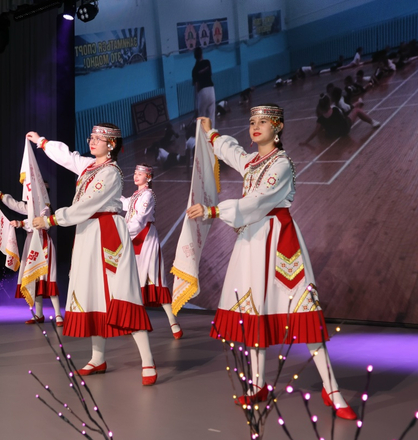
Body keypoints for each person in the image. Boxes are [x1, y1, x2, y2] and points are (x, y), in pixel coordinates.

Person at [187, 106, 357, 420]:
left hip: (279, 243)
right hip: (251, 243)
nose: (255, 126)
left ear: (277, 127)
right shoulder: (252, 161)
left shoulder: (281, 164)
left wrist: (213, 211)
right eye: (252, 121)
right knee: (254, 312)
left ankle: (332, 389)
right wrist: (211, 132)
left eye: (263, 122)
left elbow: (258, 201)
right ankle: (257, 385)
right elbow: (231, 152)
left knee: (303, 312)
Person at [27, 124, 157, 385]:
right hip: (88, 233)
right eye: (92, 137)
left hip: (107, 235)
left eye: (99, 139)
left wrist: (52, 219)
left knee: (122, 294)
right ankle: (98, 358)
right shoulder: (89, 166)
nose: (92, 141)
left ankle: (148, 361)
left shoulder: (110, 172)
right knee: (93, 294)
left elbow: (88, 204)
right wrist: (42, 143)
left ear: (112, 144)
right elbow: (68, 158)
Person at [120, 164, 183, 339]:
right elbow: (125, 204)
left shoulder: (148, 195)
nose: (136, 176)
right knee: (134, 280)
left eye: (140, 174)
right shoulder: (136, 195)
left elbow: (140, 220)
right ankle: (137, 322)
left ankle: (173, 322)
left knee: (154, 278)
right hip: (134, 238)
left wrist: (123, 232)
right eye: (135, 173)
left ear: (148, 177)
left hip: (145, 239)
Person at [0, 185, 62, 325]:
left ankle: (58, 315)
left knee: (47, 277)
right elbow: (15, 205)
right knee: (34, 276)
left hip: (43, 244)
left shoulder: (45, 208)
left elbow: (38, 222)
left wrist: (21, 223)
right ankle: (39, 314)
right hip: (31, 242)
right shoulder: (31, 207)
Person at [301, 94, 379, 144]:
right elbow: (343, 117)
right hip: (344, 130)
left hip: (332, 134)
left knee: (323, 126)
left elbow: (315, 132)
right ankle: (372, 122)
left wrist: (306, 141)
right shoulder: (335, 109)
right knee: (356, 110)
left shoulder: (320, 118)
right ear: (329, 103)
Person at [192, 46, 216, 127]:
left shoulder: (194, 69)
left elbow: (196, 86)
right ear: (202, 54)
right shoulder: (207, 62)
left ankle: (203, 134)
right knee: (211, 116)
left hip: (202, 92)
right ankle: (212, 133)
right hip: (211, 90)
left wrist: (196, 105)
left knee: (202, 117)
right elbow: (209, 75)